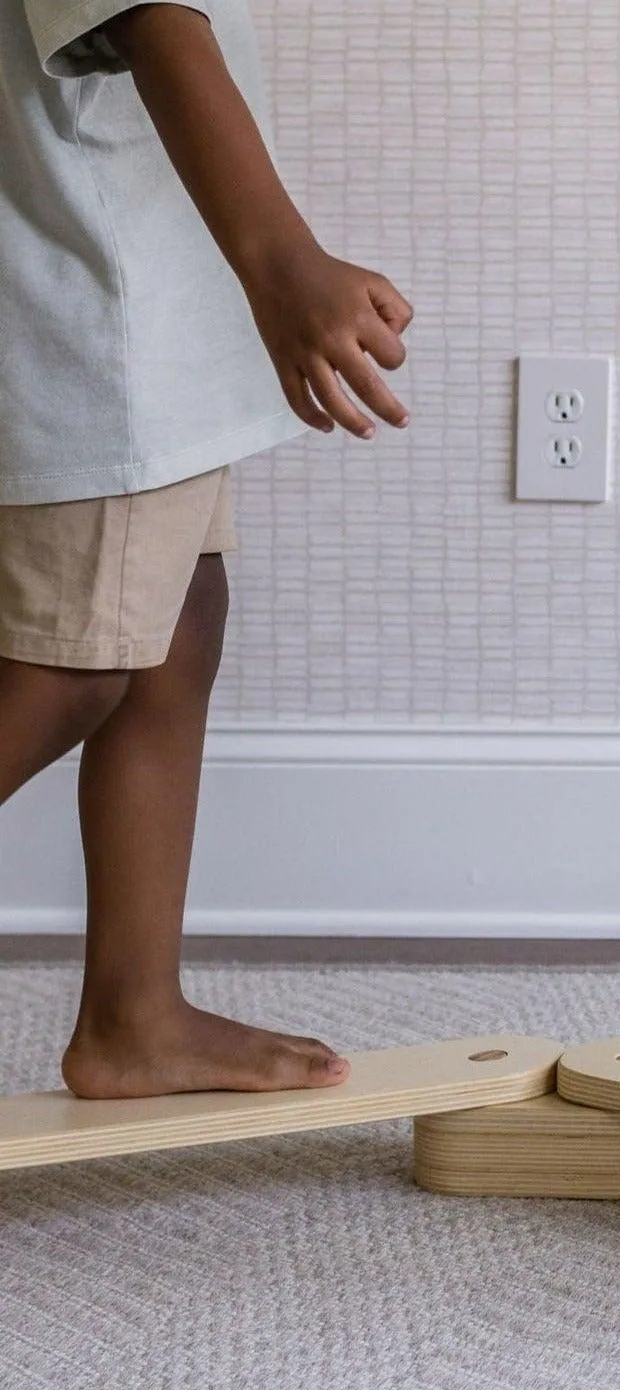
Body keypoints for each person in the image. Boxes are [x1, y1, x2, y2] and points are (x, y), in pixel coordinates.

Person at [0, 0, 413, 1098]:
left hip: (145, 322)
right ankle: (132, 1018)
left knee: (175, 628)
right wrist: (282, 262)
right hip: (101, 328)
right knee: (68, 668)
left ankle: (133, 1017)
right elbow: (150, 22)